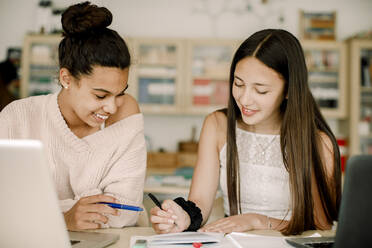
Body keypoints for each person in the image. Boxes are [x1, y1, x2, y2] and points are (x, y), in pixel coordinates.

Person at [150, 29, 341, 235]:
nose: (244, 99)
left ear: (288, 90)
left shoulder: (317, 143)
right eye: (238, 84)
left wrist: (257, 221)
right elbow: (200, 203)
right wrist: (183, 217)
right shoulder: (217, 125)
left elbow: (321, 226)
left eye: (261, 90)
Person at [0, 2, 146, 231]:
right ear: (66, 79)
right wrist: (66, 217)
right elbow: (6, 207)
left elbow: (125, 211)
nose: (111, 107)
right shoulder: (17, 118)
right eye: (100, 95)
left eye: (120, 93)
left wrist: (44, 209)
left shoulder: (125, 114)